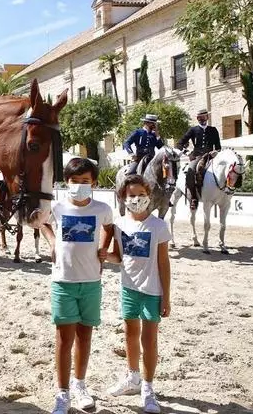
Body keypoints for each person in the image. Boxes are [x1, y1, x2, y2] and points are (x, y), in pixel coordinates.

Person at [47, 157, 113, 414]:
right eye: (74, 181)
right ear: (67, 182)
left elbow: (109, 228)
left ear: (94, 182)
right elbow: (42, 223)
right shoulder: (57, 207)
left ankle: (79, 384)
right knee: (64, 339)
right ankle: (62, 393)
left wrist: (104, 248)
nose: (79, 186)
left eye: (85, 181)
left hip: (92, 281)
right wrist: (52, 240)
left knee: (85, 335)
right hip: (63, 281)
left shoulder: (102, 208)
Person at [106, 174, 172, 414]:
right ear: (123, 197)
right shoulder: (119, 224)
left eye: (141, 195)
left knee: (149, 338)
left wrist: (166, 296)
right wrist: (103, 255)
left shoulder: (159, 226)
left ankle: (148, 386)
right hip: (128, 288)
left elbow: (164, 263)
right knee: (130, 335)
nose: (136, 199)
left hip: (152, 290)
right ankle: (132, 377)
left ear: (149, 195)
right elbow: (118, 257)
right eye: (131, 195)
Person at [176, 109, 221, 209]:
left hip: (210, 156)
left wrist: (216, 152)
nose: (202, 119)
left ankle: (223, 193)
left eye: (204, 117)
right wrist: (187, 153)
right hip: (197, 156)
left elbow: (218, 147)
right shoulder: (193, 130)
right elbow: (179, 144)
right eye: (200, 117)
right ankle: (193, 198)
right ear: (197, 118)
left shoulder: (213, 130)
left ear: (207, 117)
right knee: (191, 171)